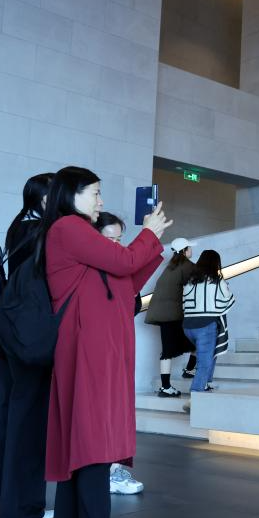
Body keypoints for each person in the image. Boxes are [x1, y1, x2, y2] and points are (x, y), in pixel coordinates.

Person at [37, 166, 171, 518]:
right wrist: (147, 234)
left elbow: (125, 280)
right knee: (93, 442)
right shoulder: (68, 227)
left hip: (92, 350)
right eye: (94, 192)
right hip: (88, 352)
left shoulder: (73, 235)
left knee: (83, 443)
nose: (100, 200)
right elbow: (124, 260)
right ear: (71, 194)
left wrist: (150, 244)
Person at [0, 172, 56, 518]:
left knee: (5, 420)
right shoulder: (43, 231)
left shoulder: (19, 226)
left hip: (8, 331)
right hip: (30, 337)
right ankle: (22, 511)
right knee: (28, 422)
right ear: (45, 199)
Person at [93, 212, 146, 497]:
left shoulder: (119, 269)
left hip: (117, 349)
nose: (117, 245)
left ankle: (112, 469)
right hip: (97, 351)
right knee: (103, 412)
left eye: (119, 239)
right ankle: (106, 471)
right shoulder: (90, 270)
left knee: (116, 411)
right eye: (110, 239)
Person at [145, 238, 199, 398]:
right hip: (173, 314)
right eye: (189, 248)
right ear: (185, 250)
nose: (191, 250)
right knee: (199, 341)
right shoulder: (188, 266)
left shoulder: (170, 267)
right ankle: (185, 372)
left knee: (168, 350)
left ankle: (167, 385)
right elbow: (197, 286)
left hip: (163, 314)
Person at [182, 250, 235, 400]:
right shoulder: (217, 281)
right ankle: (196, 395)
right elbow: (228, 300)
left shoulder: (190, 281)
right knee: (204, 361)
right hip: (205, 325)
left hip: (188, 326)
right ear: (216, 263)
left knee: (211, 352)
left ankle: (206, 383)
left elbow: (184, 304)